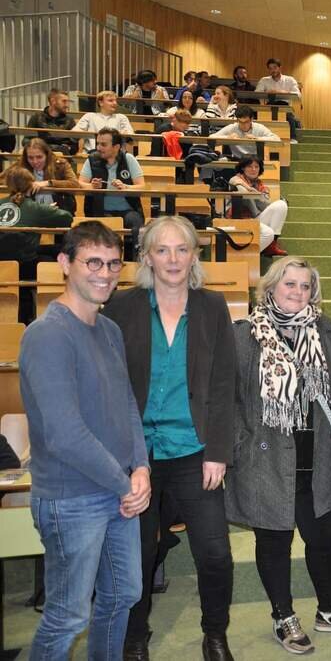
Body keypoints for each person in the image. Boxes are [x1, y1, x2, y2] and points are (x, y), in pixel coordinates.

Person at [102, 216, 236, 661]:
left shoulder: (213, 306)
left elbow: (222, 384)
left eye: (182, 249)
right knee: (137, 554)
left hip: (194, 451)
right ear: (146, 257)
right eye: (162, 250)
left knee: (215, 553)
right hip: (135, 455)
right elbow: (110, 383)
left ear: (195, 255)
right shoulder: (122, 308)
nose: (173, 259)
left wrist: (217, 452)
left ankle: (215, 633)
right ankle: (134, 636)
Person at [225, 257, 331, 655]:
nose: (297, 292)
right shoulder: (243, 335)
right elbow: (228, 397)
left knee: (323, 538)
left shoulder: (326, 331)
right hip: (265, 458)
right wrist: (239, 442)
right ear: (270, 287)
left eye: (305, 286)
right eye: (289, 284)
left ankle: (328, 608)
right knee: (274, 542)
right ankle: (283, 615)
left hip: (316, 455)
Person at [20, 221, 150, 659]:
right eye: (93, 261)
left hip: (118, 493)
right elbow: (63, 433)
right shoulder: (47, 334)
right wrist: (124, 482)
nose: (105, 273)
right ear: (64, 264)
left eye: (113, 263)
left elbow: (127, 406)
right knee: (68, 614)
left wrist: (142, 468)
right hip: (71, 498)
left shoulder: (109, 330)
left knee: (122, 596)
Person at [0, 167, 74, 323]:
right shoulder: (35, 208)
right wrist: (48, 210)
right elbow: (66, 218)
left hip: (3, 265)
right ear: (30, 185)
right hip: (26, 264)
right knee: (56, 257)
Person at [77, 127, 145, 257]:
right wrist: (92, 186)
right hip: (100, 211)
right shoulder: (91, 159)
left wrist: (126, 187)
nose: (98, 147)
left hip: (127, 210)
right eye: (98, 143)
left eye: (103, 144)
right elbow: (80, 184)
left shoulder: (129, 159)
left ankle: (138, 260)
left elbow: (142, 186)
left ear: (116, 147)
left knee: (137, 223)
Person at [228, 154, 290, 255]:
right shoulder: (237, 179)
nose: (253, 169)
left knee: (281, 205)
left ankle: (271, 246)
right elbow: (234, 181)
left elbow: (265, 202)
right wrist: (248, 188)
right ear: (243, 168)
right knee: (268, 233)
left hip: (256, 217)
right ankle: (245, 256)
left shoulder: (259, 184)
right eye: (250, 166)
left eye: (256, 167)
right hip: (240, 220)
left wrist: (257, 195)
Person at [1, 137, 78, 212]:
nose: (35, 161)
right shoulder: (22, 163)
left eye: (39, 157)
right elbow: (3, 177)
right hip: (30, 212)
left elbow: (74, 184)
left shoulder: (61, 164)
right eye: (30, 158)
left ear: (47, 155)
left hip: (59, 210)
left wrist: (48, 183)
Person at [212, 106, 281, 160]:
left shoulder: (259, 127)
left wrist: (257, 138)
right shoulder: (232, 127)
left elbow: (277, 140)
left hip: (254, 159)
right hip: (236, 159)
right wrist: (227, 137)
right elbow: (211, 138)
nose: (243, 125)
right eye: (240, 122)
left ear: (251, 119)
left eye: (246, 122)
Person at [25, 88, 77, 154]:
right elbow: (26, 140)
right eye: (64, 101)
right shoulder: (37, 117)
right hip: (40, 154)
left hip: (62, 158)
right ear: (53, 101)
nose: (67, 105)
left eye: (67, 102)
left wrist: (68, 148)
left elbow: (75, 146)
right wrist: (44, 147)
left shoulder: (70, 120)